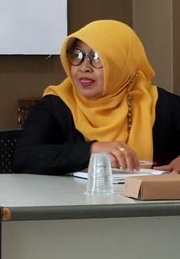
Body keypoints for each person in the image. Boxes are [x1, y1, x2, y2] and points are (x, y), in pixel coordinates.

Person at [13, 19, 180, 175]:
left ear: (122, 64)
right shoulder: (57, 104)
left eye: (97, 58)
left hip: (154, 205)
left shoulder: (159, 104)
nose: (84, 67)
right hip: (73, 203)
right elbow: (24, 157)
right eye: (77, 55)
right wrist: (92, 150)